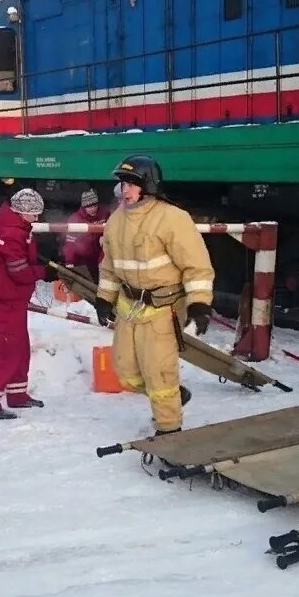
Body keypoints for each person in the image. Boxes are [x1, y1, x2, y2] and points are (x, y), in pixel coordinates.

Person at [94, 155, 214, 437]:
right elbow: (110, 267)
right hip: (128, 309)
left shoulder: (173, 218)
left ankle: (169, 431)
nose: (125, 190)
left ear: (148, 186)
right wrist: (103, 298)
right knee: (126, 372)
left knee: (160, 376)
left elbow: (197, 267)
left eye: (132, 184)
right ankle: (175, 396)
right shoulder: (116, 220)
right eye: (123, 183)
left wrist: (199, 304)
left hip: (163, 310)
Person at [0, 188, 54, 420]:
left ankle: (17, 394)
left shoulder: (15, 227)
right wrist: (44, 272)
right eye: (34, 214)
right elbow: (19, 272)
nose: (37, 219)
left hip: (11, 297)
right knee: (7, 348)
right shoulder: (12, 233)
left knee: (20, 346)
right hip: (5, 297)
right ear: (22, 212)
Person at [60, 188, 110, 284]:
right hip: (82, 260)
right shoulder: (75, 219)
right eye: (89, 206)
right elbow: (70, 243)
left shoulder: (105, 213)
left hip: (100, 257)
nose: (93, 209)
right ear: (84, 207)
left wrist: (105, 235)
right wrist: (69, 262)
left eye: (95, 205)